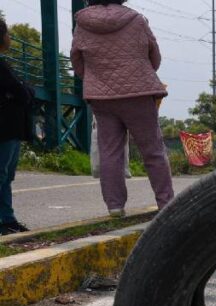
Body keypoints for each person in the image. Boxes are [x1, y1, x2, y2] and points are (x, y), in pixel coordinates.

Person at [71, 0, 174, 217]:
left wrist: (96, 80)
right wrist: (139, 72)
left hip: (101, 97)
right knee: (153, 150)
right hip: (138, 94)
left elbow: (77, 60)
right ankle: (166, 203)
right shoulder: (136, 19)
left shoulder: (82, 23)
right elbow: (154, 57)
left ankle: (115, 206)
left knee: (110, 152)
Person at [0, 17, 34, 235]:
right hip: (6, 128)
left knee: (4, 175)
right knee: (3, 174)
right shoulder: (2, 67)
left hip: (9, 128)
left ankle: (7, 219)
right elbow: (23, 92)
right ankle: (6, 219)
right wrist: (24, 90)